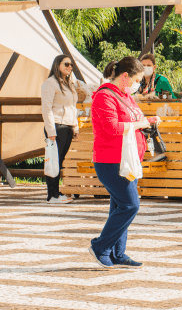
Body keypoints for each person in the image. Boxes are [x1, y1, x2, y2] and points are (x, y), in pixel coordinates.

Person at [88, 57, 157, 269]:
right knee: (130, 205)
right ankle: (100, 247)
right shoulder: (104, 96)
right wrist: (139, 124)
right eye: (137, 80)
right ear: (125, 76)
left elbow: (135, 120)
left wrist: (148, 123)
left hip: (127, 160)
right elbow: (112, 127)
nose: (139, 85)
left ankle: (118, 253)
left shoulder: (125, 96)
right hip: (111, 161)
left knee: (119, 206)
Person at [40, 55, 80, 203]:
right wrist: (51, 131)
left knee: (59, 160)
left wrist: (75, 126)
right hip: (56, 126)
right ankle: (53, 195)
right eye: (67, 64)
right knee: (53, 161)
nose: (70, 67)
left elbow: (72, 107)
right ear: (57, 65)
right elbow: (46, 108)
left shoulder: (68, 83)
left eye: (71, 65)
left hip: (67, 126)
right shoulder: (50, 83)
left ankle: (55, 193)